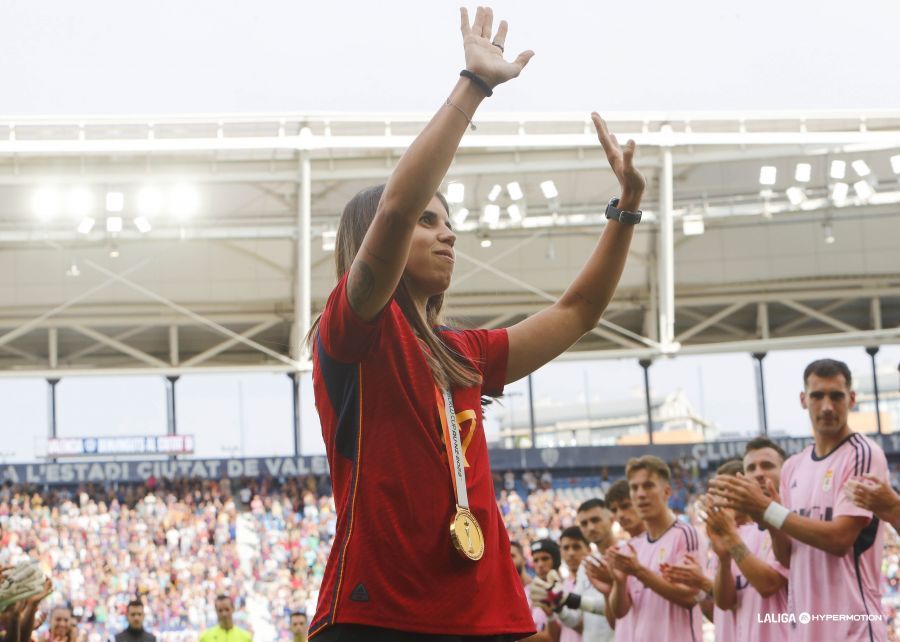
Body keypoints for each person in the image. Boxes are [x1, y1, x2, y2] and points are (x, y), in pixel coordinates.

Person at [305, 5, 645, 641]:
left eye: (450, 221)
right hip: (379, 614)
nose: (449, 233)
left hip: (485, 615)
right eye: (429, 223)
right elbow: (398, 203)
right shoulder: (353, 329)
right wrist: (475, 84)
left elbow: (577, 312)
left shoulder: (465, 352)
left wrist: (623, 214)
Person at [709, 359, 888, 642]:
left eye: (836, 396)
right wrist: (768, 520)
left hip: (853, 630)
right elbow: (786, 557)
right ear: (803, 400)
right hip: (805, 631)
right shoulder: (793, 467)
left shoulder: (862, 453)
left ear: (851, 399)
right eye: (817, 396)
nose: (827, 406)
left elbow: (841, 540)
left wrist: (768, 510)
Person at [605, 456, 703, 642]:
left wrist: (639, 571)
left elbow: (690, 597)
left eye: (648, 486)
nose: (640, 494)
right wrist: (619, 582)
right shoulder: (633, 546)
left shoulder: (684, 534)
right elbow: (620, 611)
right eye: (634, 488)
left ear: (666, 492)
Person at [703, 439, 789, 642]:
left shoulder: (788, 522)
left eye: (767, 465)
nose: (722, 498)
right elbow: (724, 603)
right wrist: (723, 560)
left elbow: (768, 585)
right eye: (751, 468)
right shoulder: (730, 534)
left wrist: (730, 539)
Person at [600, 480, 643, 642]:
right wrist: (614, 585)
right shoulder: (623, 551)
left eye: (625, 506)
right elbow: (617, 617)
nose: (620, 515)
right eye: (614, 510)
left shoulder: (676, 536)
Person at [527, 540, 563, 642]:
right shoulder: (529, 591)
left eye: (545, 558)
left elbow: (552, 638)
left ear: (556, 560)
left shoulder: (564, 589)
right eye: (536, 560)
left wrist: (515, 635)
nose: (540, 564)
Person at [558, 527, 588, 642]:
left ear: (588, 549)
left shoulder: (596, 583)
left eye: (576, 547)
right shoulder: (563, 585)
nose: (571, 553)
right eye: (566, 548)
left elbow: (592, 628)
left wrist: (558, 610)